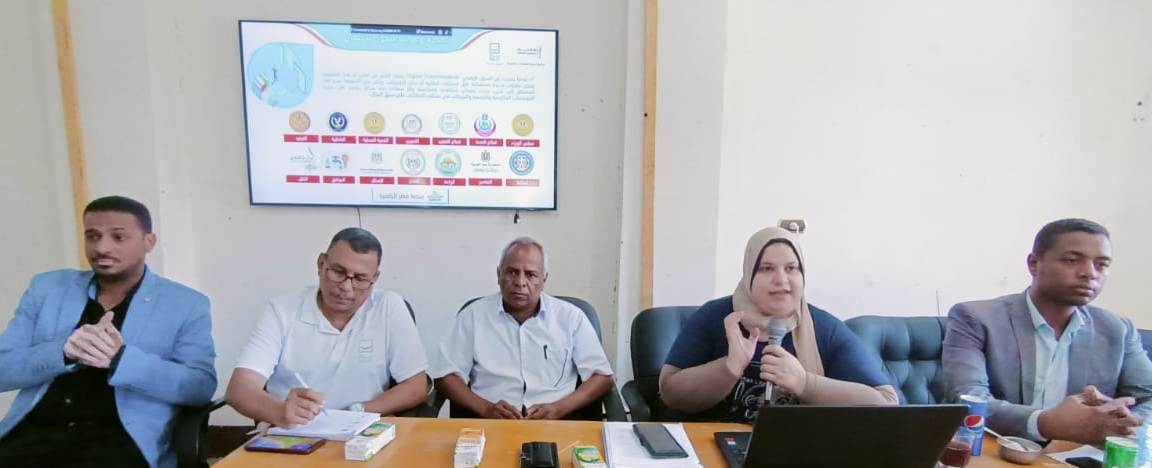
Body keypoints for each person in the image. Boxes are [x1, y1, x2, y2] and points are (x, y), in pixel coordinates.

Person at [0, 196, 217, 468]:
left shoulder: (186, 303)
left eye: (118, 237)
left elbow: (200, 386)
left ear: (149, 241)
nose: (102, 247)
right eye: (92, 236)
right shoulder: (47, 288)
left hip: (121, 440)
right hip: (36, 432)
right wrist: (63, 352)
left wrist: (121, 359)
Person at [943, 218, 1152, 444]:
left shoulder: (1118, 329)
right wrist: (1046, 423)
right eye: (1072, 260)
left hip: (1075, 455)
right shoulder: (976, 318)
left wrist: (1124, 422)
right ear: (1034, 264)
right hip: (996, 450)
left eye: (1101, 264)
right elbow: (969, 399)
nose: (1090, 273)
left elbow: (1148, 398)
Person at [660, 227, 897, 422]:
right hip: (712, 447)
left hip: (795, 450)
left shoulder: (825, 328)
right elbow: (669, 393)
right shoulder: (716, 316)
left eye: (791, 268)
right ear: (748, 273)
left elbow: (886, 403)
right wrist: (728, 368)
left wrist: (806, 384)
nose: (781, 280)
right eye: (766, 269)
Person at [225, 228, 428, 427]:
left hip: (362, 428)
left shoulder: (388, 306)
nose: (346, 287)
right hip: (291, 431)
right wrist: (280, 411)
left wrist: (357, 412)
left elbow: (415, 386)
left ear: (374, 278)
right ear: (321, 264)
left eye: (359, 279)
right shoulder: (282, 311)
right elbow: (239, 390)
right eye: (338, 272)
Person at [432, 237, 614, 420]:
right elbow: (445, 375)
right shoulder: (473, 316)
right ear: (498, 275)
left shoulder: (570, 318)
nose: (520, 282)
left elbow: (602, 377)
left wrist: (559, 408)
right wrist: (485, 408)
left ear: (544, 279)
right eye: (512, 272)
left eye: (530, 274)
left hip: (557, 422)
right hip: (490, 421)